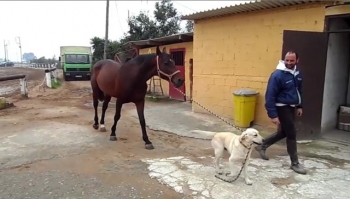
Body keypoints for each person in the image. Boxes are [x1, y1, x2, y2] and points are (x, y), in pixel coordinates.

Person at [255, 51, 307, 175]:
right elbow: (270, 95)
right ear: (284, 60)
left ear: (297, 61)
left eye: (291, 60)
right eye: (287, 60)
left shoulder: (297, 73)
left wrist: (299, 106)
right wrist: (272, 114)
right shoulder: (277, 75)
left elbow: (299, 90)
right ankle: (295, 163)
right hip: (281, 107)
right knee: (291, 134)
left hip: (291, 107)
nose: (289, 63)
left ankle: (262, 145)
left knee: (284, 132)